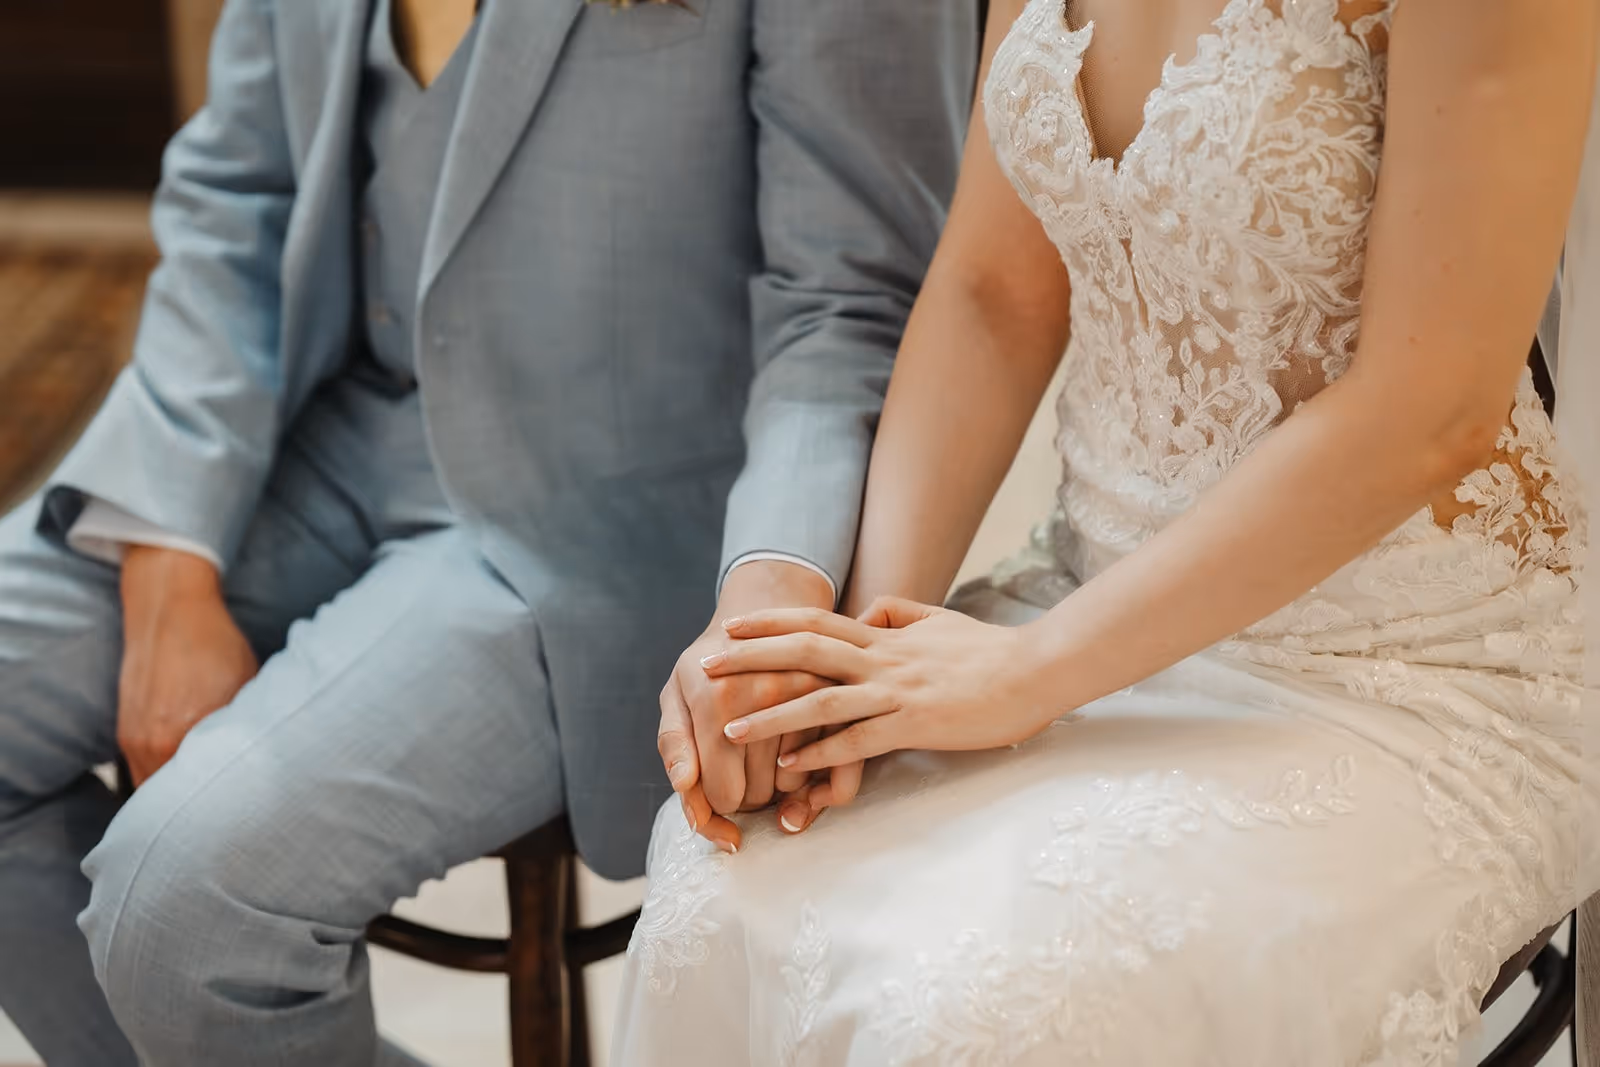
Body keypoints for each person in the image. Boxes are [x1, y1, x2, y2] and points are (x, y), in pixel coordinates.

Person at [622, 0, 1600, 1063]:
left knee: (972, 1013)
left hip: (1408, 665)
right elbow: (994, 291)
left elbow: (1429, 409)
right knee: (715, 888)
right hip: (1082, 590)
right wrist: (847, 662)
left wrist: (1034, 671)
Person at [0, 0, 975, 1063]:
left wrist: (771, 593)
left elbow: (847, 297)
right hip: (313, 436)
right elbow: (236, 201)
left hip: (597, 522)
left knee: (184, 905)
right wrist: (169, 565)